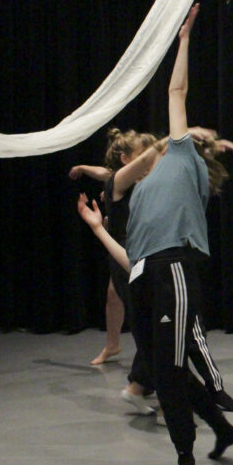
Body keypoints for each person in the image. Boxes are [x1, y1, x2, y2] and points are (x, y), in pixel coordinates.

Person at [81, 3, 233, 465]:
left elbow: (178, 90)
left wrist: (186, 42)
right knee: (157, 365)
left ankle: (185, 457)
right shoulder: (143, 180)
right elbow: (117, 198)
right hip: (142, 275)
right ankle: (220, 425)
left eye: (199, 136)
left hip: (174, 266)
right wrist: (96, 225)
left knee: (170, 368)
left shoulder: (185, 165)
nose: (192, 133)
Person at [70, 130, 154, 367]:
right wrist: (83, 168)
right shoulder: (120, 178)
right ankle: (113, 344)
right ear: (126, 158)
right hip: (118, 244)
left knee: (136, 300)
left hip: (134, 245)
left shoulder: (141, 179)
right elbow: (103, 173)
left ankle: (148, 359)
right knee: (113, 295)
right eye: (142, 153)